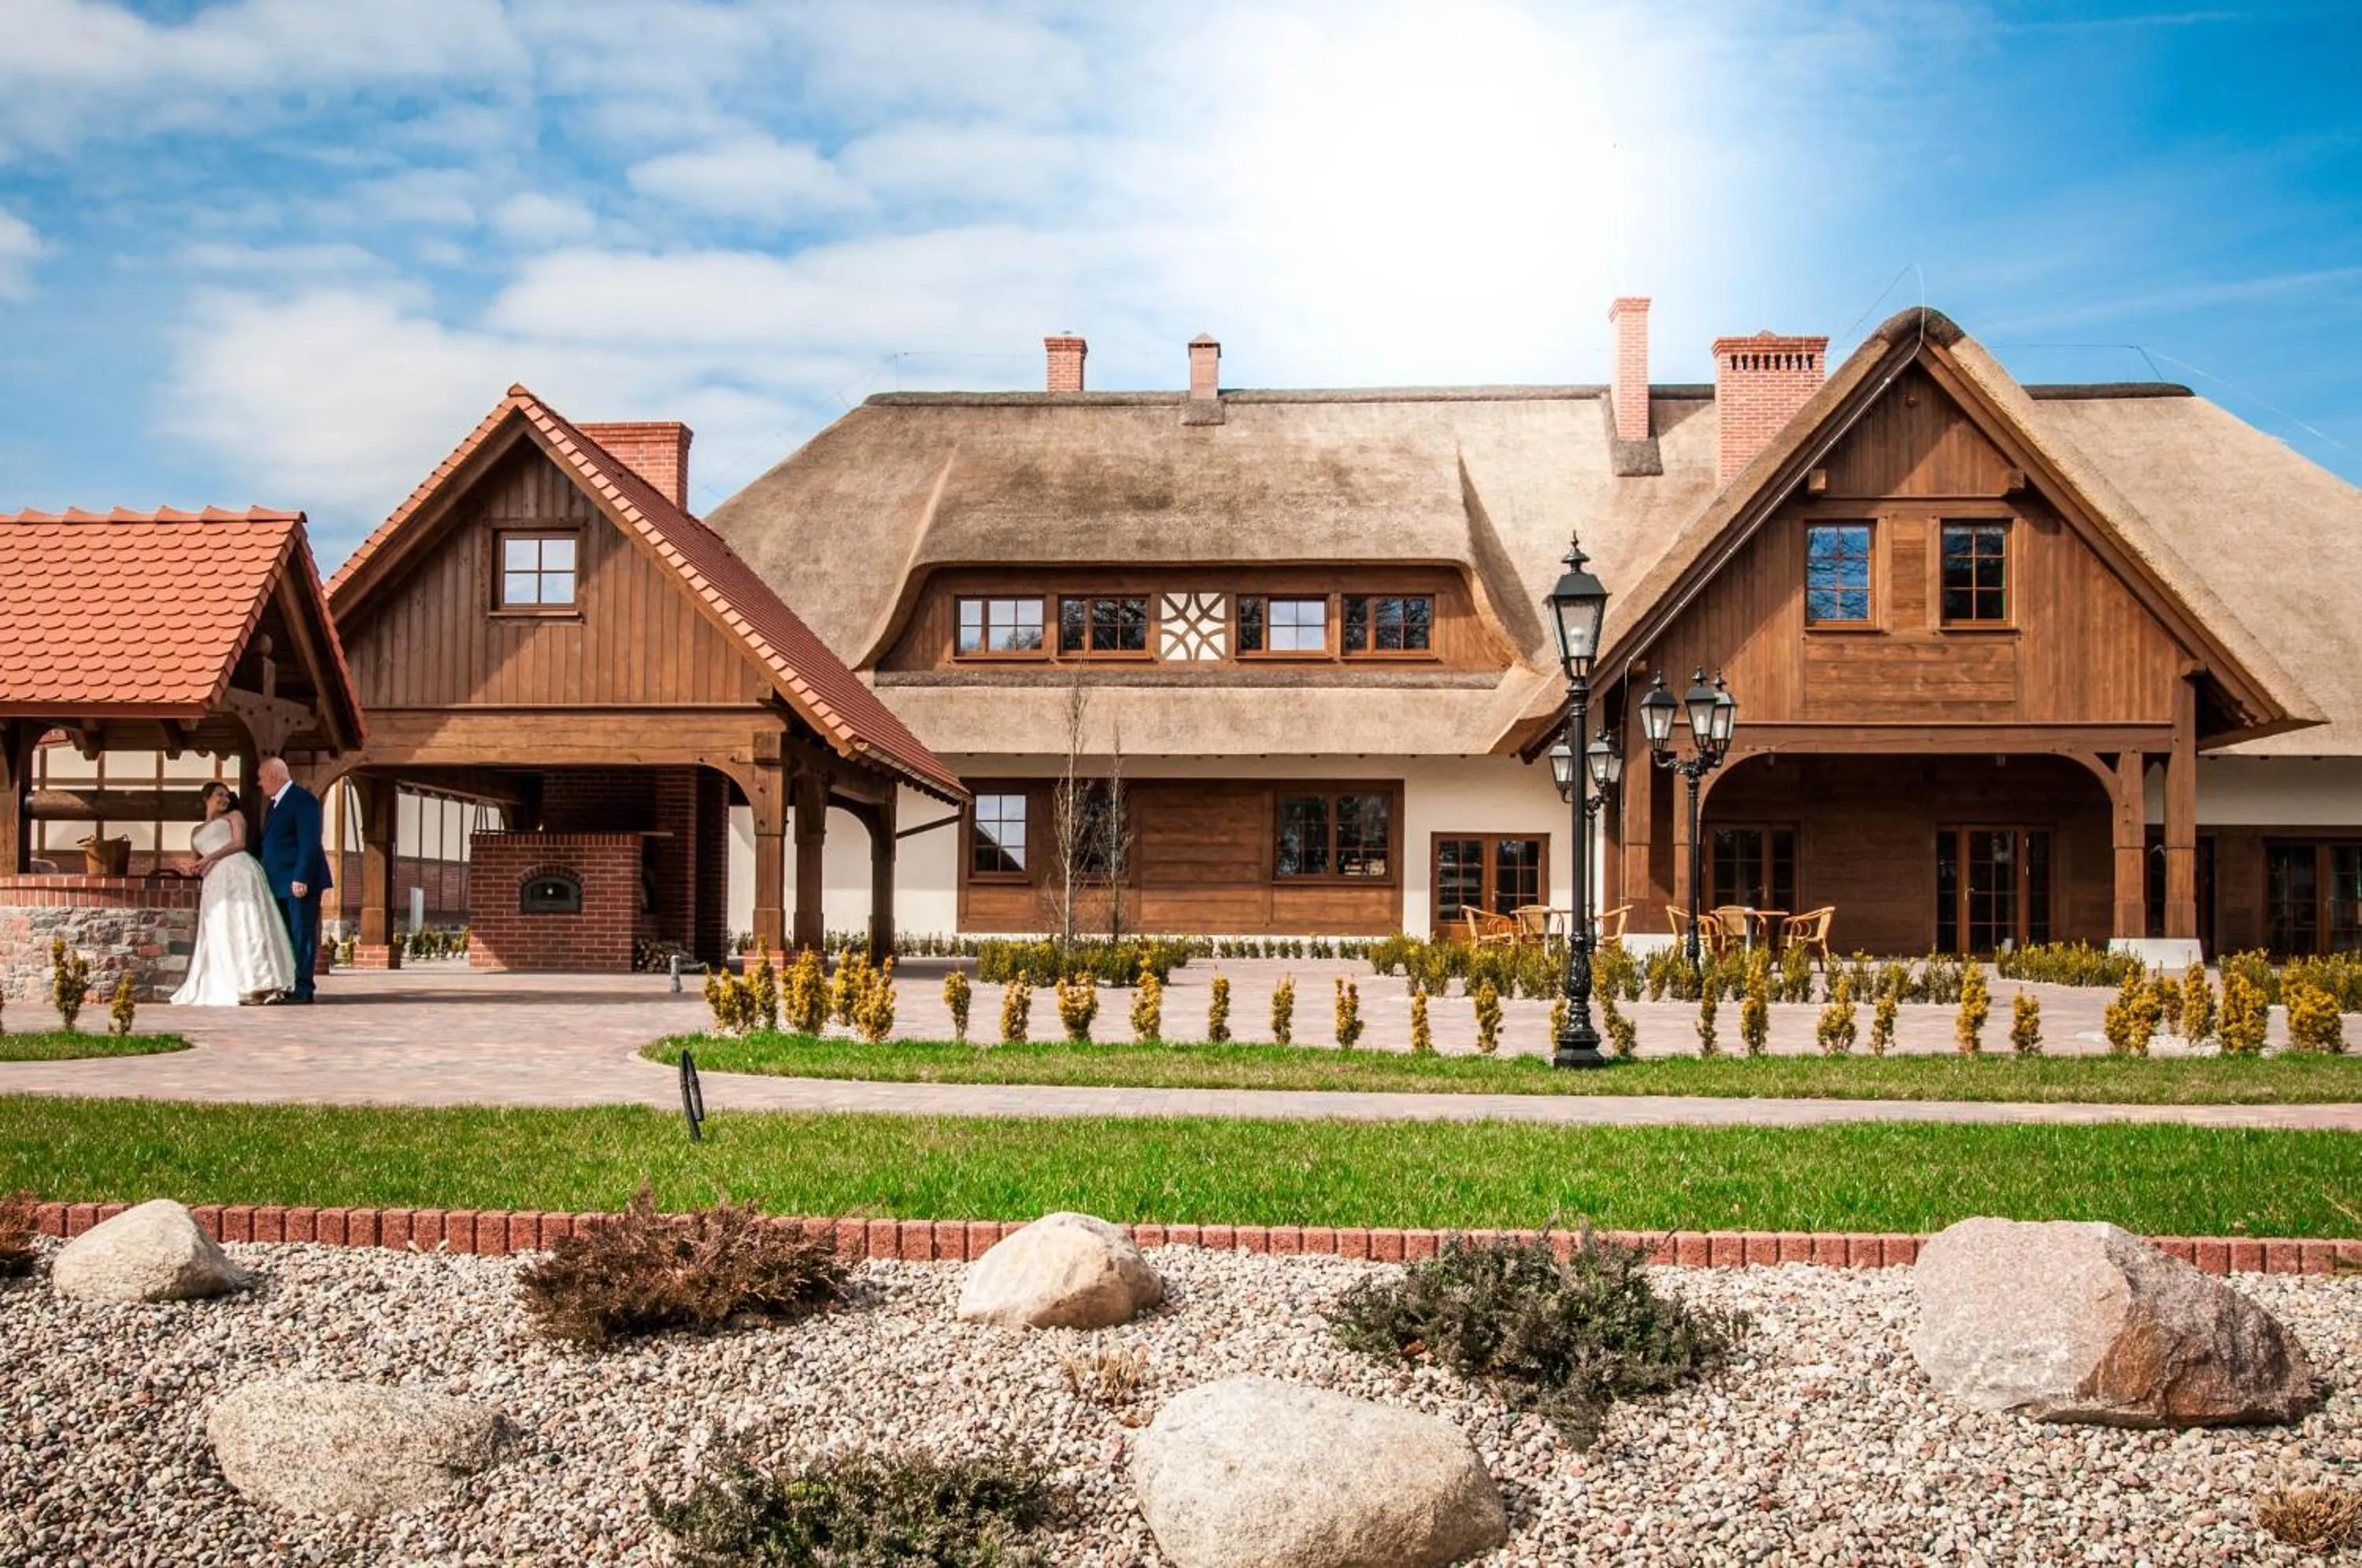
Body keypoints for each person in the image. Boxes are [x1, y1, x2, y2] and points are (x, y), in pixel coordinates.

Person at [169, 780, 297, 1007]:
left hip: (238, 871)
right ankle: (233, 981)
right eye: (219, 794)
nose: (225, 799)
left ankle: (259, 982)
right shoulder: (196, 832)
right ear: (206, 798)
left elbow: (238, 843)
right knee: (222, 927)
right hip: (215, 880)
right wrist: (190, 868)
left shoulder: (234, 817)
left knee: (246, 922)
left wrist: (209, 858)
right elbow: (196, 862)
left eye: (227, 795)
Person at [254, 756, 332, 1004]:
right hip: (279, 883)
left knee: (302, 933)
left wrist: (301, 877)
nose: (259, 783)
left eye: (261, 778)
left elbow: (309, 843)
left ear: (274, 776)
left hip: (298, 883)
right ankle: (289, 982)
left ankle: (304, 988)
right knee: (286, 934)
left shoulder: (303, 800)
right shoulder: (274, 805)